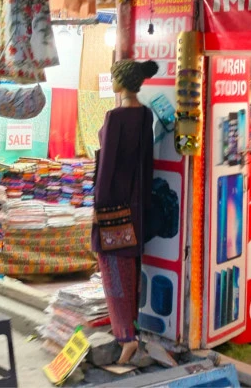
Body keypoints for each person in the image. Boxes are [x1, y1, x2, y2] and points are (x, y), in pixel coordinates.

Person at [93, 59, 157, 364]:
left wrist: (99, 207)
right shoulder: (145, 115)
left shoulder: (116, 117)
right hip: (135, 207)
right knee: (129, 270)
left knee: (112, 271)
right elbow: (147, 164)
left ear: (122, 82)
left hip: (112, 208)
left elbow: (106, 168)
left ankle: (126, 338)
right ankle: (129, 329)